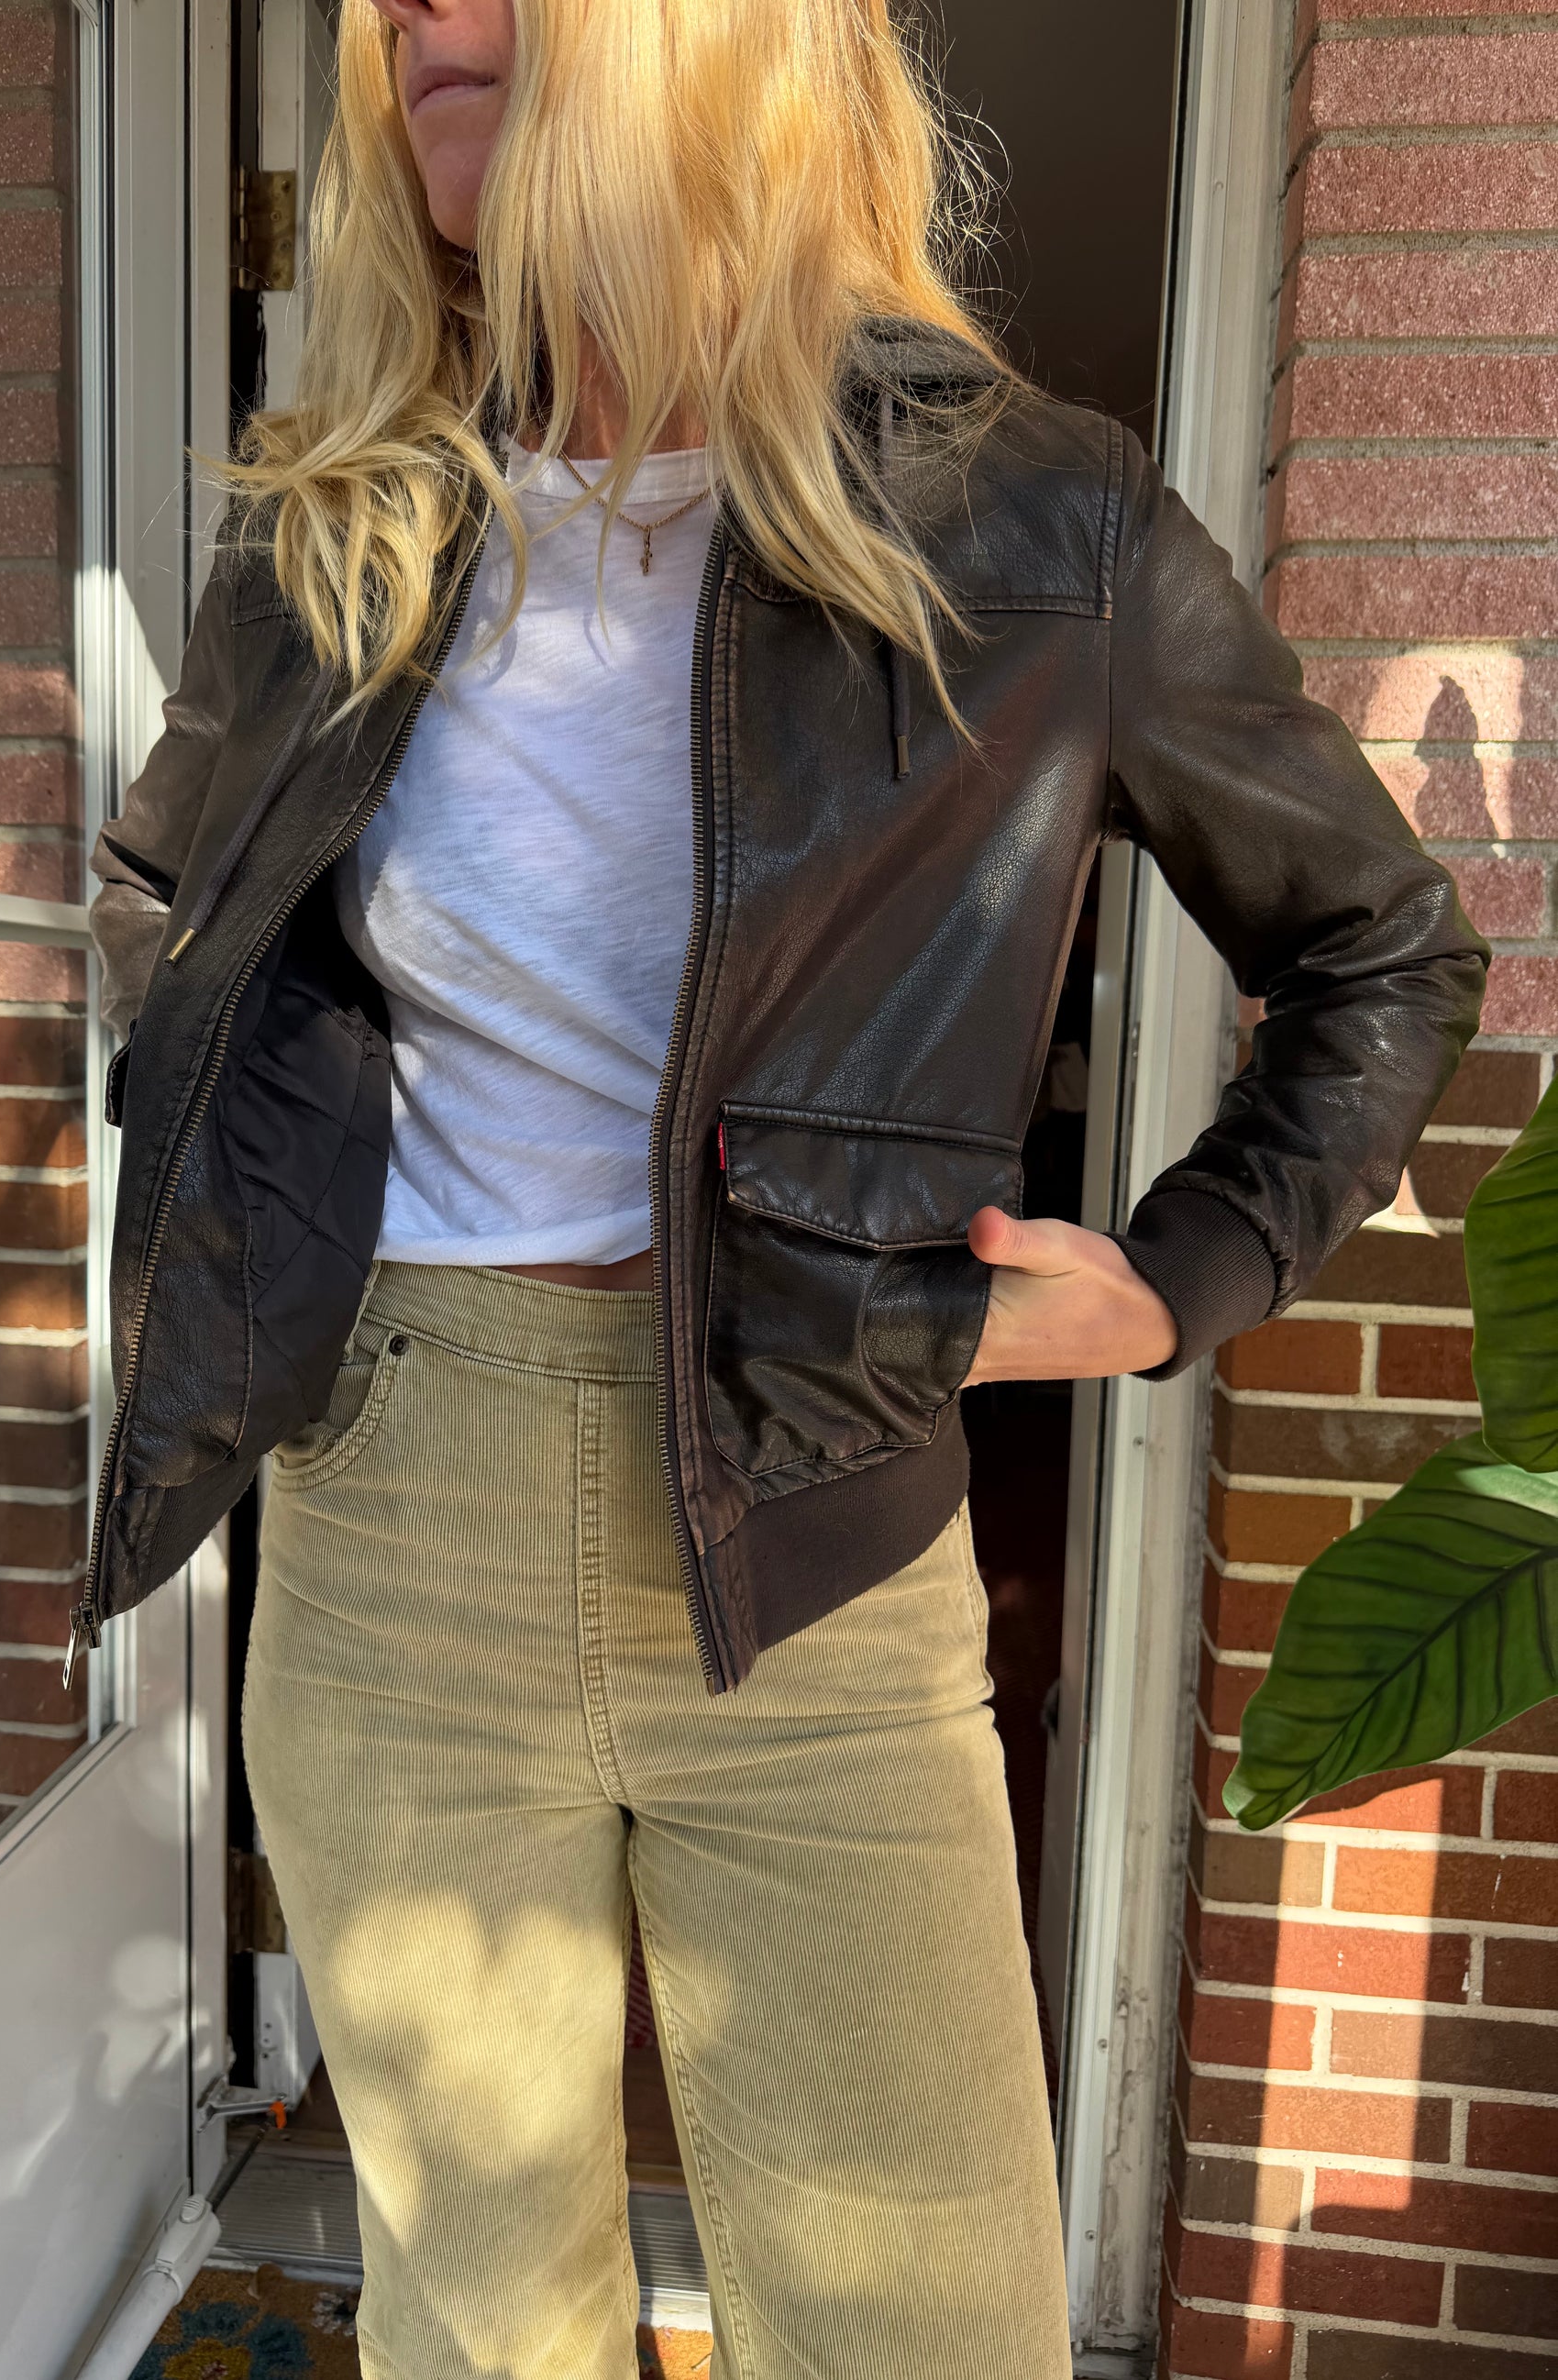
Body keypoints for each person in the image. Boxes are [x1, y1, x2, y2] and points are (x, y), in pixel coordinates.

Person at [82, 1, 1487, 2372]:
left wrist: (1171, 1279)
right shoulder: (338, 528)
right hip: (391, 1514)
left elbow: (1385, 947)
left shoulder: (1031, 522)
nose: (411, 7)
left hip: (821, 1530)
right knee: (473, 2325)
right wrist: (276, 1177)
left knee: (924, 2326)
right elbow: (163, 895)